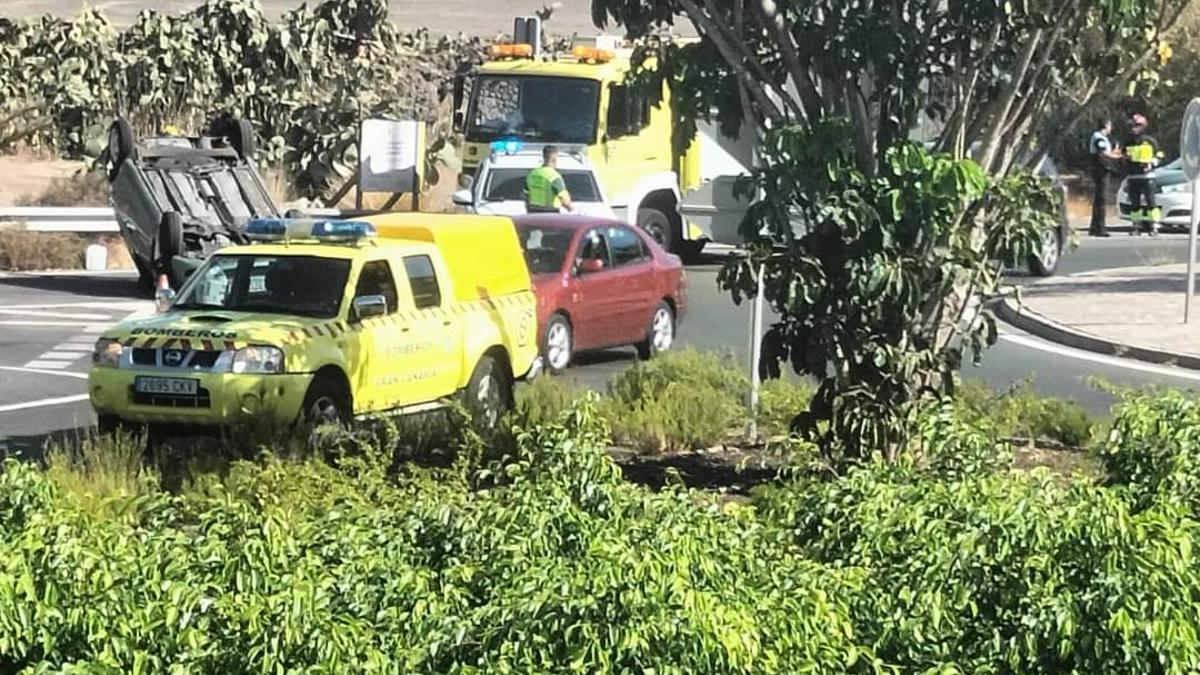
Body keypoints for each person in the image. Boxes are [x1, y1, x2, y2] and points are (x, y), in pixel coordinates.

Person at [1124, 113, 1162, 236]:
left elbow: (1160, 155)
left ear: (1143, 126)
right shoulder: (1128, 141)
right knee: (1134, 203)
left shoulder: (1150, 141)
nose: (1134, 128)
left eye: (1137, 125)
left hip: (1148, 176)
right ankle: (1136, 226)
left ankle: (1154, 226)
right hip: (1133, 176)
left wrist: (1152, 163)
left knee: (1151, 202)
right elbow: (1123, 156)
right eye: (1132, 125)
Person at [1088, 119, 1122, 237]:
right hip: (1100, 171)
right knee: (1102, 199)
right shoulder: (1099, 137)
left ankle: (1094, 226)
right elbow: (1103, 153)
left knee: (1099, 199)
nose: (1110, 128)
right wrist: (1117, 156)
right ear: (1106, 126)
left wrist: (1114, 152)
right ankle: (1100, 227)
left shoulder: (1101, 138)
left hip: (1101, 170)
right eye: (1110, 126)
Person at [525, 145, 573, 213]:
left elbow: (526, 194)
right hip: (550, 213)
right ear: (554, 159)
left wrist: (528, 208)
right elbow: (564, 199)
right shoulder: (554, 176)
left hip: (533, 213)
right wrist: (571, 209)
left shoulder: (532, 174)